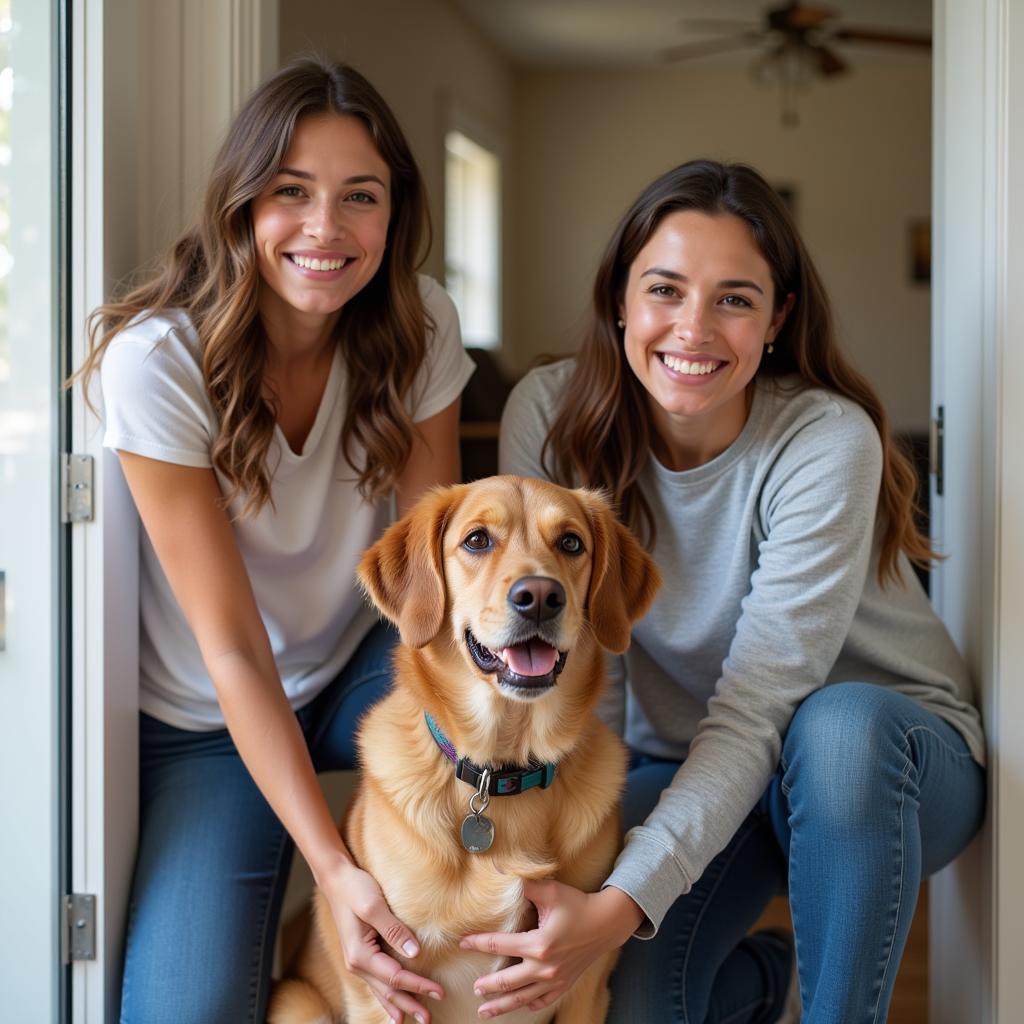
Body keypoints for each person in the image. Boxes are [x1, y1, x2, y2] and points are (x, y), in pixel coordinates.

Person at [465, 159, 986, 1024]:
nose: (693, 329)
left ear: (778, 318)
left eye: (735, 299)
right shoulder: (549, 415)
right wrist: (591, 892)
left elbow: (757, 710)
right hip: (686, 759)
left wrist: (623, 901)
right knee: (621, 995)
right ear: (620, 300)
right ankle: (756, 986)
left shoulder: (825, 440)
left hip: (887, 767)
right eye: (665, 290)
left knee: (838, 729)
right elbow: (581, 671)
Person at [73, 58, 473, 1024]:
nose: (325, 229)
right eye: (291, 193)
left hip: (365, 664)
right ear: (241, 202)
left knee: (507, 726)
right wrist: (339, 872)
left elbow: (440, 582)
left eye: (359, 198)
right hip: (208, 715)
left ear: (395, 214)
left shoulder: (418, 325)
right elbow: (234, 652)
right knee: (186, 1010)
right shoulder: (156, 364)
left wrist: (459, 779)